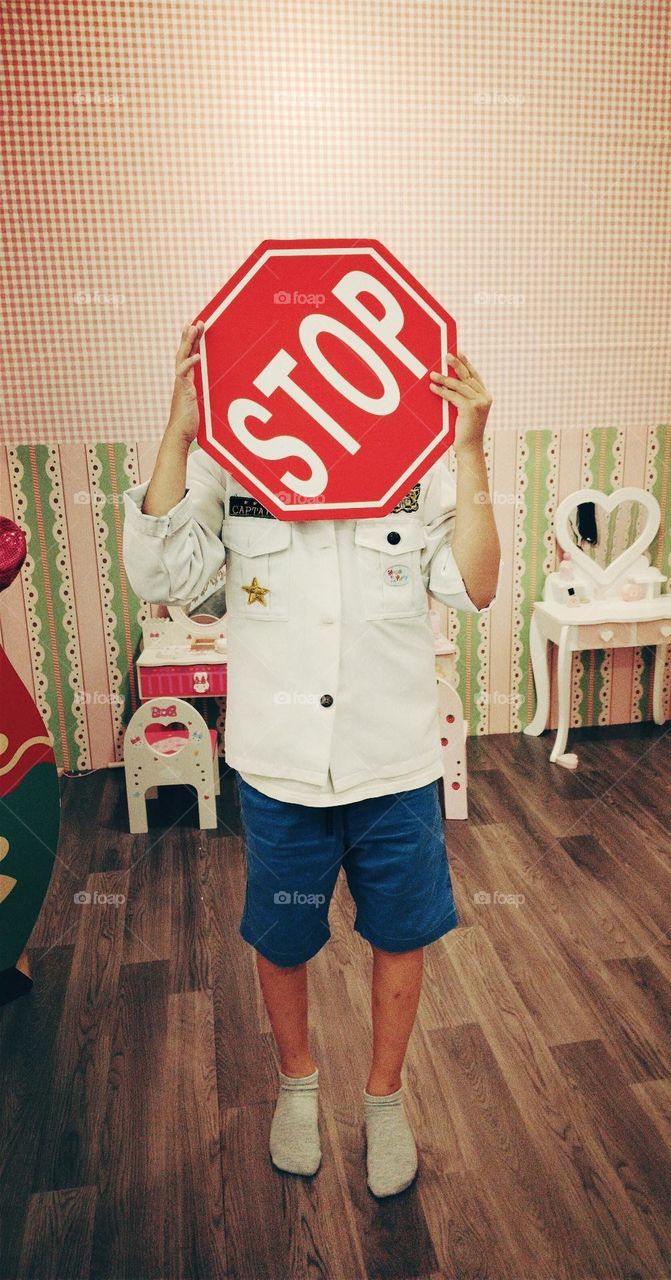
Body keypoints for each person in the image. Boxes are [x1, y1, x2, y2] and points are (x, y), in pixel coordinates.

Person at [122, 321, 500, 1197]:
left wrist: (471, 449)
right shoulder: (232, 457)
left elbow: (475, 583)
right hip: (282, 764)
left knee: (401, 933)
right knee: (284, 933)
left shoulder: (420, 455)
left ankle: (385, 1099)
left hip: (395, 762)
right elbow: (162, 575)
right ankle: (298, 1085)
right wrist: (180, 431)